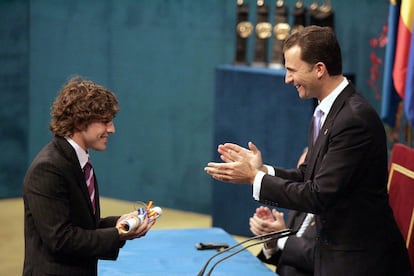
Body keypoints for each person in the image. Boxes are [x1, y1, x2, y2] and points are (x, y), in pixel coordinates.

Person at [205, 26, 412, 275]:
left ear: (319, 69)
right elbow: (308, 175)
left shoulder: (354, 119)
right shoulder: (326, 109)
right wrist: (262, 170)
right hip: (332, 250)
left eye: (292, 70)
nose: (287, 79)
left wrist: (254, 178)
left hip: (358, 260)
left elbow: (318, 196)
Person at [22, 76, 156, 275]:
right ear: (79, 121)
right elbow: (61, 239)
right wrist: (117, 234)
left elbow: (83, 226)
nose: (112, 129)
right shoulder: (48, 168)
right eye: (105, 121)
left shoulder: (78, 161)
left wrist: (121, 222)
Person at [250, 148, 315, 276]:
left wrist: (282, 237)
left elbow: (322, 262)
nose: (301, 185)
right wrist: (271, 243)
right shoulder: (300, 208)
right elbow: (288, 261)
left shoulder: (338, 214)